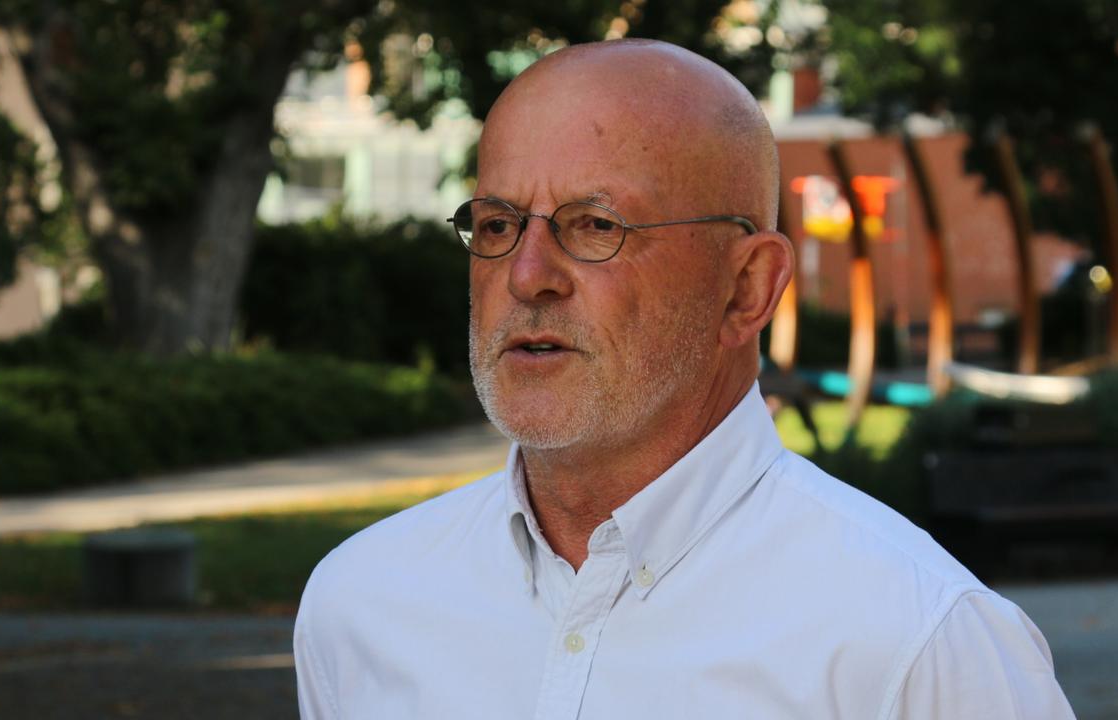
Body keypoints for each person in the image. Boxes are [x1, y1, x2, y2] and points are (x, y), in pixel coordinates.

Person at [294, 39, 1075, 719]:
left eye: (595, 226)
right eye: (498, 225)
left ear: (746, 288)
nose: (527, 275)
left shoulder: (918, 641)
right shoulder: (362, 605)